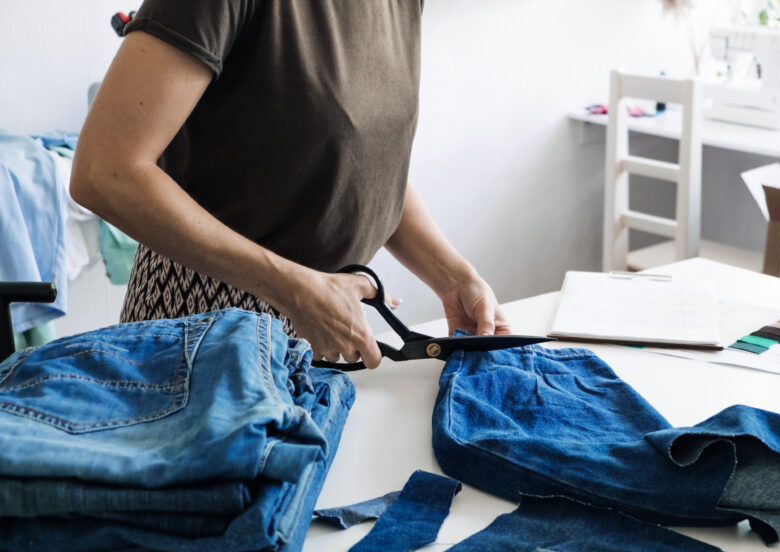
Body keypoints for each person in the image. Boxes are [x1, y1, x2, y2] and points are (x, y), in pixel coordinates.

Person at [70, 0, 509, 369]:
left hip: (327, 322)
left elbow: (358, 163)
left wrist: (453, 278)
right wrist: (294, 289)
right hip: (202, 324)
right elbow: (105, 171)